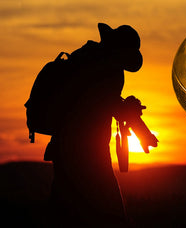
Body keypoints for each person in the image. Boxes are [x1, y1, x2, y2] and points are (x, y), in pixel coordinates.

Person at [47, 23, 143, 227]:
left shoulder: (89, 57)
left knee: (65, 212)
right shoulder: (102, 64)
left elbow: (97, 99)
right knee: (108, 214)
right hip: (86, 153)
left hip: (67, 148)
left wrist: (124, 106)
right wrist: (126, 109)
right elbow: (99, 101)